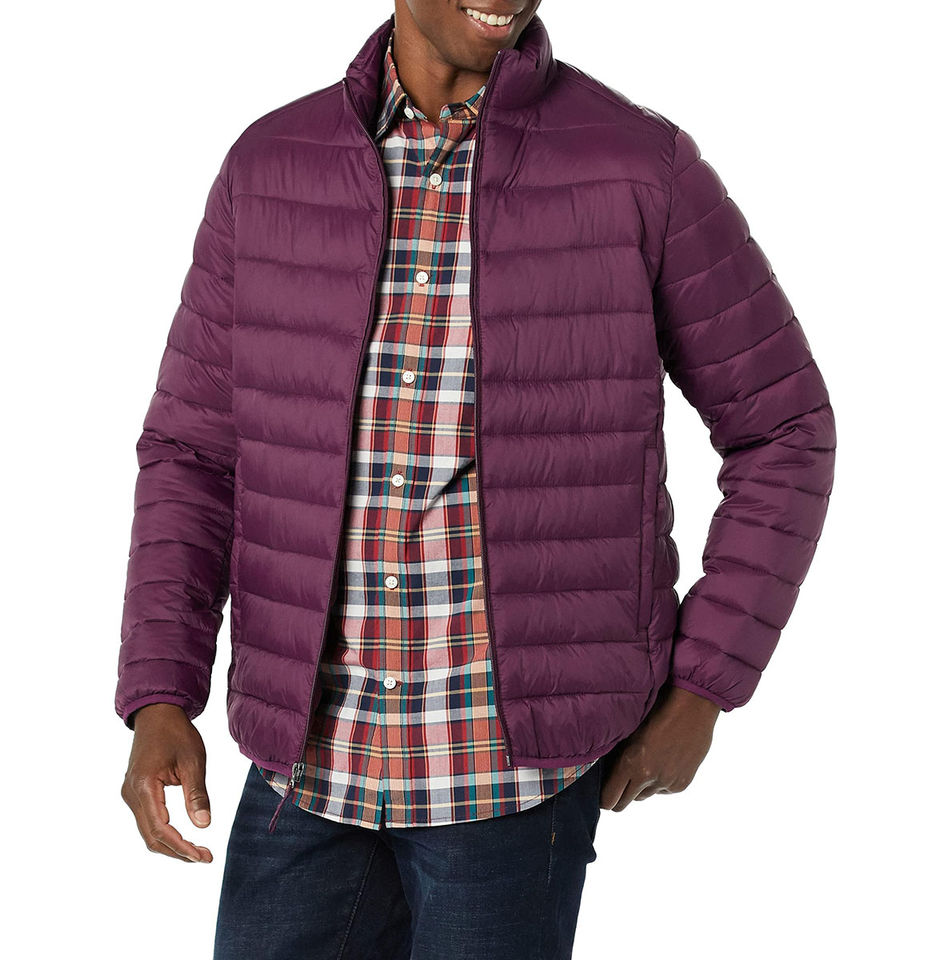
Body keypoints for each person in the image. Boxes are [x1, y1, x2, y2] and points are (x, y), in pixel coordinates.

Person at [116, 3, 836, 957]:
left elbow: (785, 429)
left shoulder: (636, 167)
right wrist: (161, 692)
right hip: (306, 770)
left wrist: (704, 688)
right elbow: (193, 453)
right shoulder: (270, 167)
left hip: (510, 785)